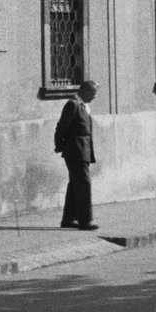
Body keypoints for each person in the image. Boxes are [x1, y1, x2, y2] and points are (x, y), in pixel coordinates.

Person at [55, 79, 98, 231]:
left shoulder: (84, 105)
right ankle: (85, 221)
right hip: (75, 151)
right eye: (92, 93)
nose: (94, 97)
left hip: (83, 150)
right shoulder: (72, 104)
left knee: (75, 185)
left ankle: (68, 219)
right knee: (84, 185)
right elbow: (61, 127)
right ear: (84, 91)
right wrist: (59, 146)